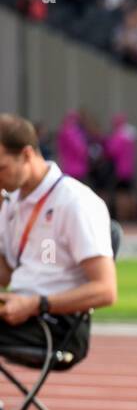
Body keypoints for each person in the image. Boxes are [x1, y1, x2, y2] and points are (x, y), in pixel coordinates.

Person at [0, 115, 117, 365]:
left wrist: (35, 304)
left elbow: (106, 290)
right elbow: (6, 274)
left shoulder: (75, 202)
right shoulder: (11, 202)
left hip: (57, 324)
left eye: (1, 168)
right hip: (18, 310)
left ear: (27, 154)